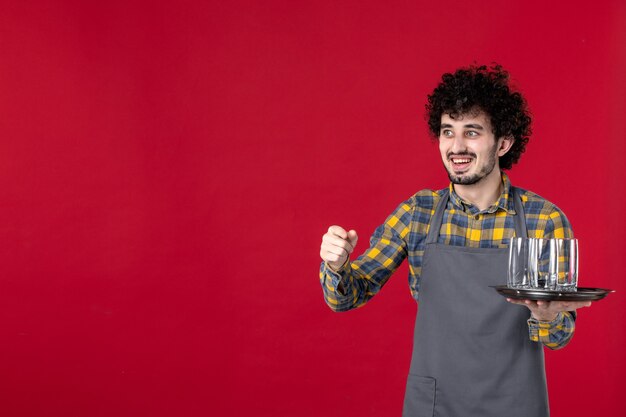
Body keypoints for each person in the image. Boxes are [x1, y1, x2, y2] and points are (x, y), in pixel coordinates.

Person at [318, 64, 592, 417]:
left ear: (504, 143)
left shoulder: (544, 220)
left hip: (516, 405)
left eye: (472, 132)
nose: (456, 146)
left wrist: (549, 317)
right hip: (435, 405)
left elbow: (560, 337)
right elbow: (348, 297)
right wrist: (336, 266)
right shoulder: (417, 213)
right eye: (448, 131)